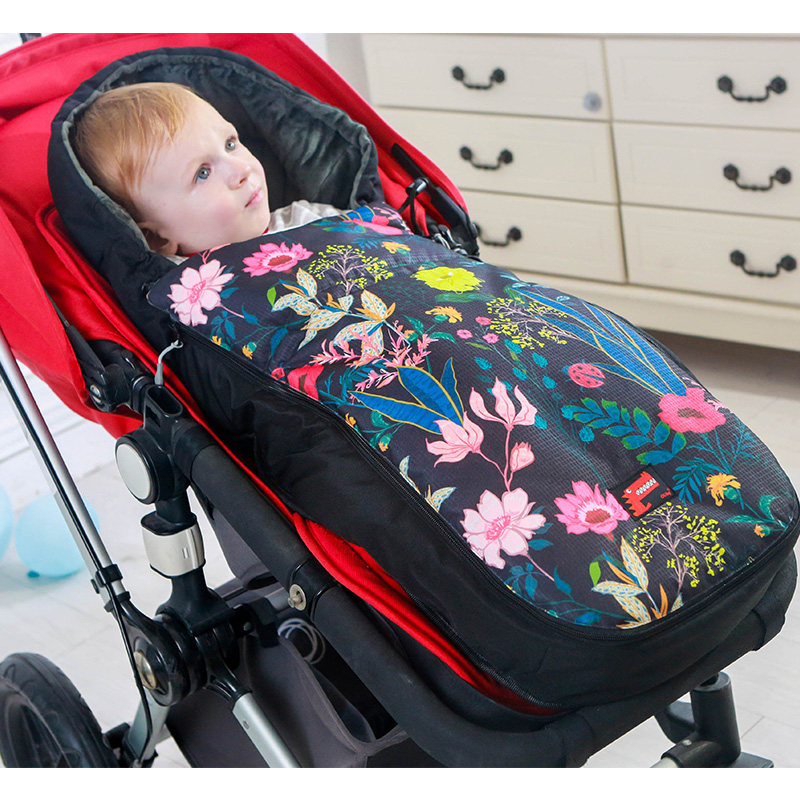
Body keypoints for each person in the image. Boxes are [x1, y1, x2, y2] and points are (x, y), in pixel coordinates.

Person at [72, 81, 343, 260]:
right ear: (156, 238)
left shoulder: (310, 219)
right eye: (203, 173)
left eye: (230, 144)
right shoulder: (178, 294)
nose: (242, 169)